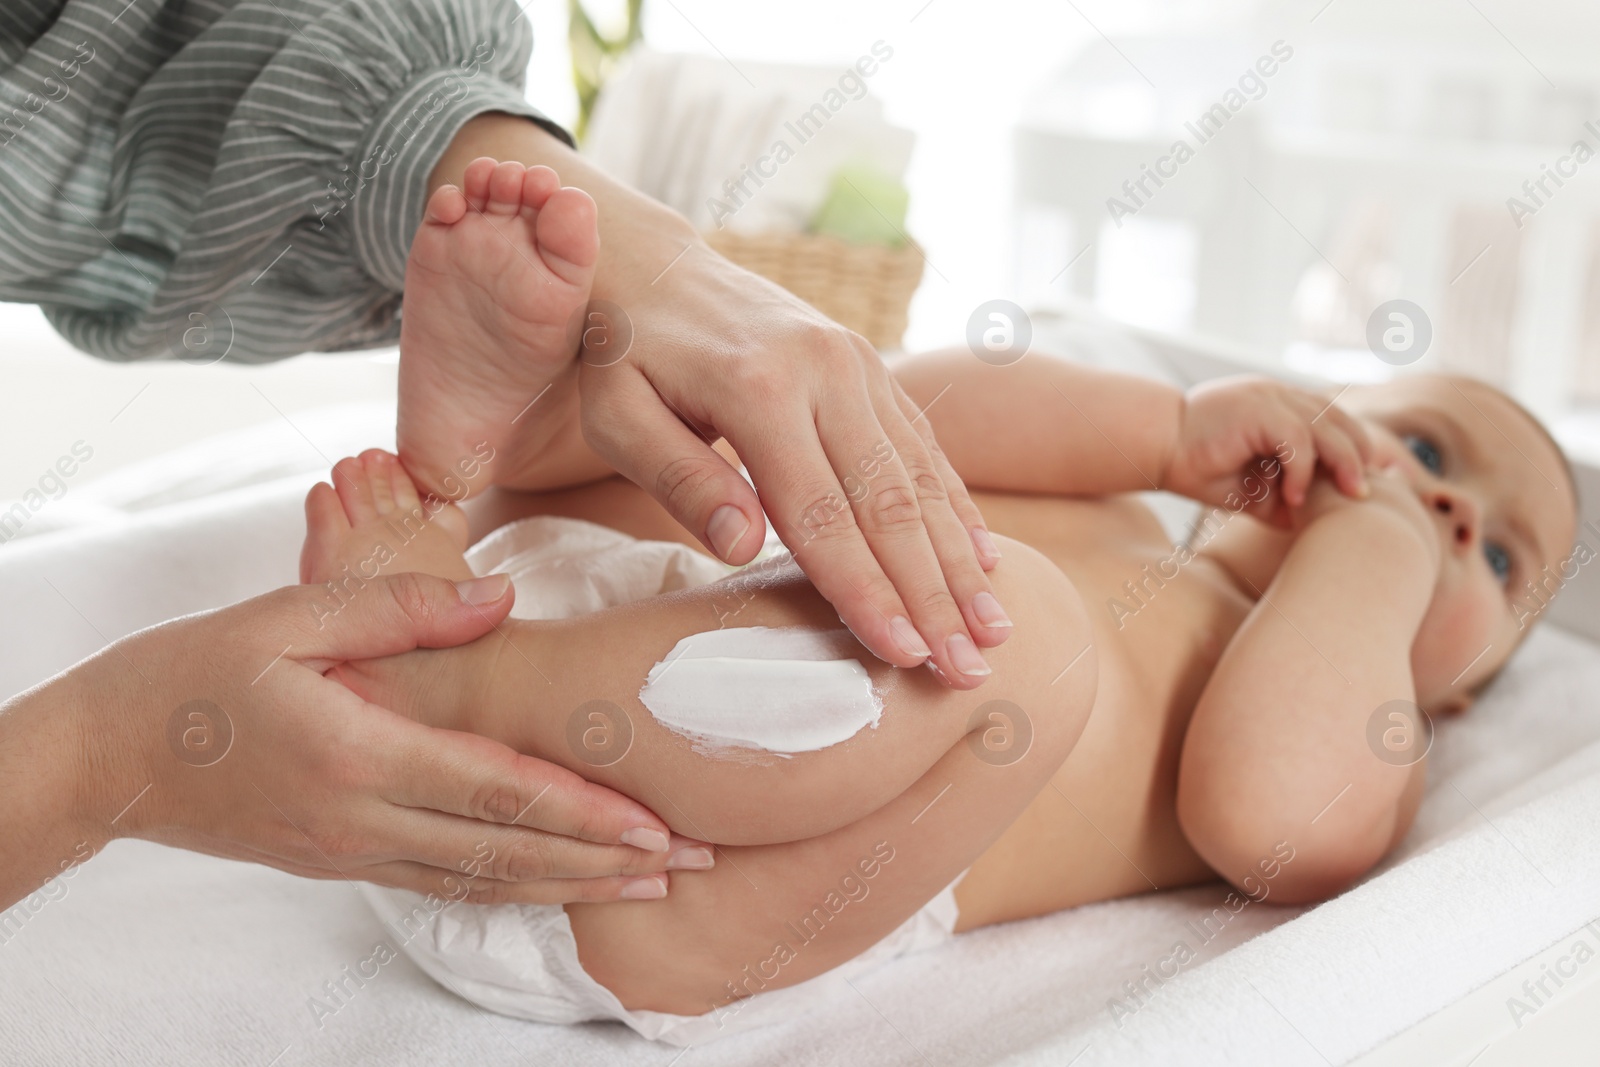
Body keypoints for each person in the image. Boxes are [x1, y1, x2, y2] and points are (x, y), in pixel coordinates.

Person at [279, 185, 1580, 1041]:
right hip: (605, 645)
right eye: (1425, 447)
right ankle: (480, 470)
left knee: (1028, 630)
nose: (1451, 510)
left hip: (679, 889)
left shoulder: (1372, 739)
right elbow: (918, 412)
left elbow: (1264, 811)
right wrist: (1164, 431)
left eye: (1500, 556)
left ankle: (437, 676)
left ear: (1460, 692)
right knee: (753, 427)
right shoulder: (1135, 510)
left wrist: (1374, 541)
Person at [0, 0, 1001, 906]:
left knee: (643, 506)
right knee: (992, 647)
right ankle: (454, 657)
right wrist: (108, 751)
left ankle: (490, 480)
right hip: (621, 826)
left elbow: (70, 80)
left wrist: (607, 232)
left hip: (622, 811)